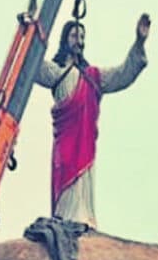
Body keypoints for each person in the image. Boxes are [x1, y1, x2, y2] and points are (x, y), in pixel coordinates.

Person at [36, 13, 151, 229]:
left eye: (81, 36)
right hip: (66, 138)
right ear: (64, 39)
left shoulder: (94, 76)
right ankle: (64, 217)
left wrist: (139, 42)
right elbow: (31, 64)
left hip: (85, 138)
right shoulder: (57, 72)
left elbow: (122, 74)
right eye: (73, 35)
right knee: (66, 170)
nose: (78, 40)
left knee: (83, 177)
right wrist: (35, 31)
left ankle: (83, 219)